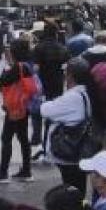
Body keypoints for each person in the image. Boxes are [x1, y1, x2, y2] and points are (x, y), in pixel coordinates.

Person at [41, 57, 98, 196]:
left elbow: (46, 110)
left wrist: (47, 103)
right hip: (80, 147)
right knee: (78, 186)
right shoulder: (86, 92)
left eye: (66, 72)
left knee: (72, 187)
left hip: (70, 150)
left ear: (71, 75)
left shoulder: (73, 96)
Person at [0, 38, 37, 183]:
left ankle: (3, 172)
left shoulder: (17, 67)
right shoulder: (27, 65)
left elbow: (3, 82)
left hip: (15, 107)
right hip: (24, 105)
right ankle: (26, 170)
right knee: (22, 138)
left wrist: (7, 66)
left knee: (6, 138)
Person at [31, 20, 71, 148]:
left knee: (37, 110)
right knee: (53, 111)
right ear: (56, 33)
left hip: (41, 84)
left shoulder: (38, 48)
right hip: (57, 84)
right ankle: (49, 136)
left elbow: (35, 68)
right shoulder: (62, 48)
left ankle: (36, 136)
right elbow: (66, 68)